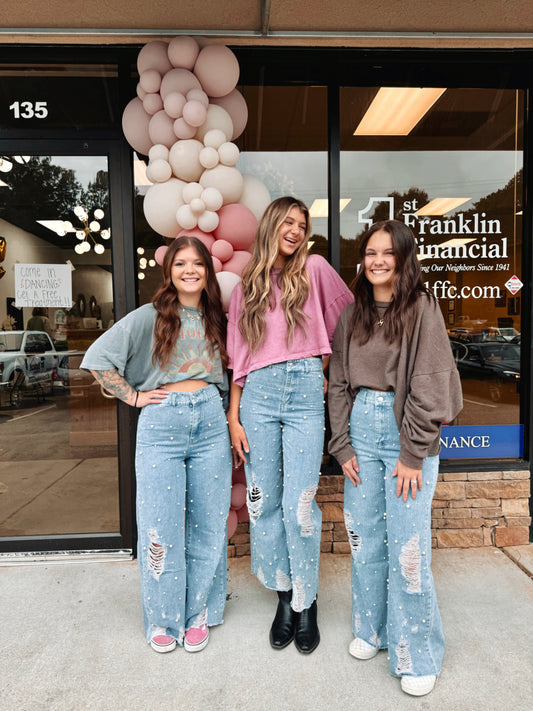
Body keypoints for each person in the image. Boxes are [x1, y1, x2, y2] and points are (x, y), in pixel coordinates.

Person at [328, 220, 463, 696]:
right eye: (370, 253)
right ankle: (373, 629)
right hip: (360, 431)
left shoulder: (422, 308)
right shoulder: (352, 314)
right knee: (365, 538)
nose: (378, 261)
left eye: (388, 253)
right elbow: (340, 383)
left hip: (406, 432)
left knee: (408, 547)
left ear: (404, 259)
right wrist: (342, 445)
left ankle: (418, 652)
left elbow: (431, 381)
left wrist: (413, 451)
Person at [81, 235, 231, 654]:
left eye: (197, 264)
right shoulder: (151, 315)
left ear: (207, 271)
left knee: (207, 521)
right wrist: (133, 396)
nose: (189, 270)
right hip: (161, 423)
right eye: (181, 263)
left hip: (210, 422)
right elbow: (98, 357)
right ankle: (164, 618)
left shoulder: (217, 315)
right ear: (169, 272)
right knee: (160, 525)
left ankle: (198, 610)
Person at [227, 196, 353, 654]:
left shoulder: (315, 269)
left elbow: (351, 317)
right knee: (264, 504)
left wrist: (327, 369)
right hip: (257, 396)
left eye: (302, 223)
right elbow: (239, 357)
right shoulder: (247, 286)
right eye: (288, 221)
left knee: (300, 505)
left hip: (303, 393)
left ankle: (308, 601)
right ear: (271, 226)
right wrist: (233, 415)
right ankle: (285, 598)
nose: (296, 230)